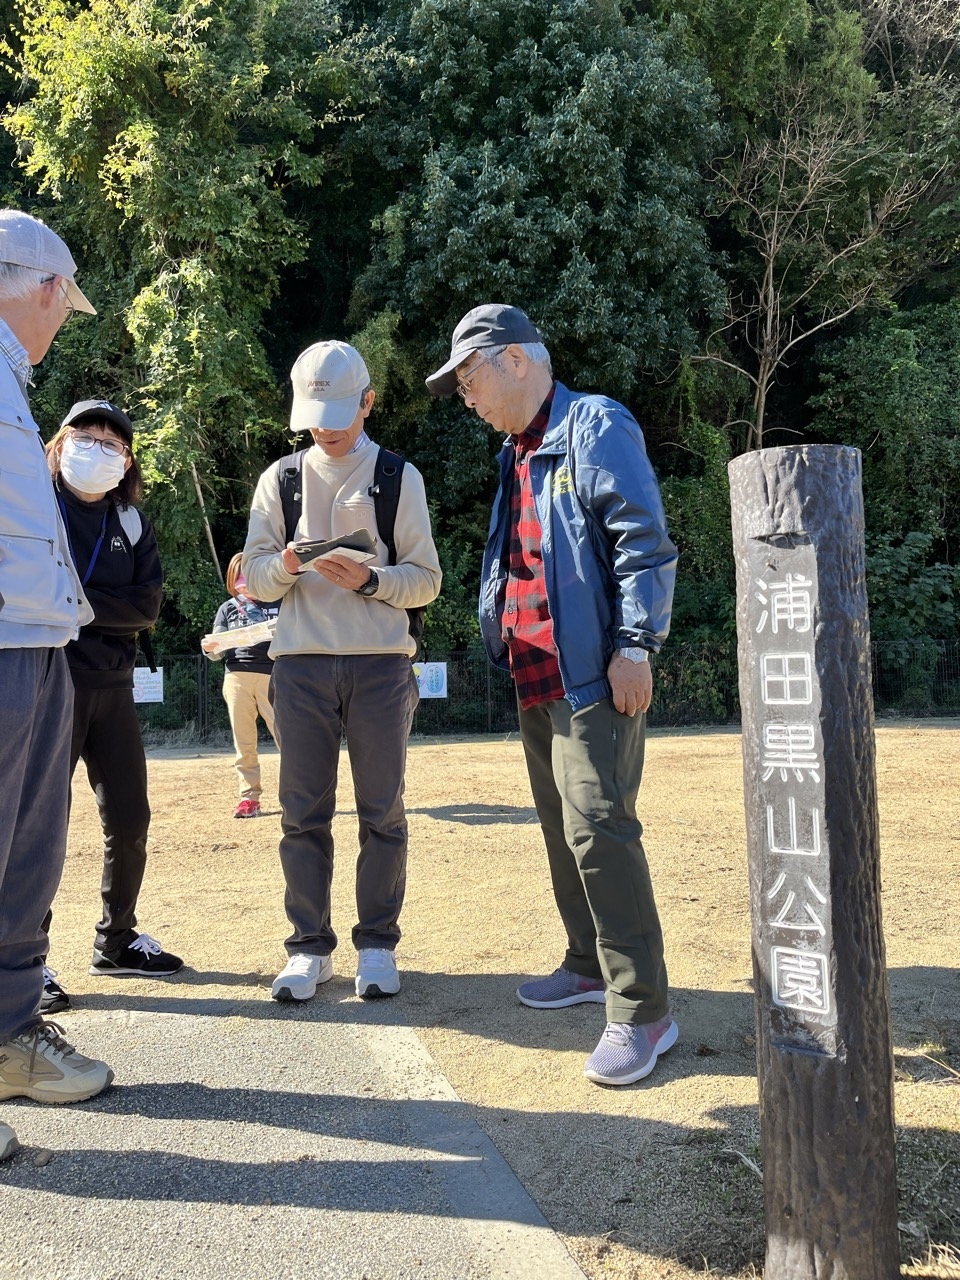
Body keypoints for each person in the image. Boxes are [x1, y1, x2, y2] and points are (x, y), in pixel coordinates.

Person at [426, 304, 679, 1087]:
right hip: (534, 674)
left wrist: (636, 644)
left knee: (601, 829)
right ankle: (583, 963)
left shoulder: (594, 425)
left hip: (593, 674)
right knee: (563, 828)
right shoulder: (517, 452)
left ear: (515, 361)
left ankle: (643, 1012)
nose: (468, 398)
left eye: (470, 381)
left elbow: (643, 540)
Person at [243, 340, 442, 1002]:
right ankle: (307, 948)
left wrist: (370, 579)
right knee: (302, 812)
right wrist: (290, 566)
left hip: (381, 667)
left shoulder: (397, 477)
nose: (325, 427)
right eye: (314, 414)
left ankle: (378, 945)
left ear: (367, 402)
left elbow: (426, 581)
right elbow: (256, 579)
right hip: (298, 665)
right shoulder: (281, 479)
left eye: (338, 411)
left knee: (382, 810)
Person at [0, 210, 113, 1162]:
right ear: (39, 289)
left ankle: (7, 1044)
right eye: (60, 305)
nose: (59, 321)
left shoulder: (14, 377)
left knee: (26, 862)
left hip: (36, 641)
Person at [41, 398, 180, 1015]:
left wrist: (75, 597)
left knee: (130, 817)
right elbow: (29, 590)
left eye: (112, 441)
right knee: (34, 827)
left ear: (127, 461)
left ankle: (117, 940)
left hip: (113, 688)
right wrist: (105, 605)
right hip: (47, 681)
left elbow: (147, 609)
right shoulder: (33, 506)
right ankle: (22, 961)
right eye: (86, 435)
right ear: (60, 442)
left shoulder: (130, 523)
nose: (97, 447)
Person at [202, 552, 280, 818]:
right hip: (236, 676)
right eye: (238, 578)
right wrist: (210, 647)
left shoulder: (280, 600)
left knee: (288, 737)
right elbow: (215, 650)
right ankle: (249, 798)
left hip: (274, 675)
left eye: (247, 576)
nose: (242, 583)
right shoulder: (227, 608)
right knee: (244, 741)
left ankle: (298, 794)